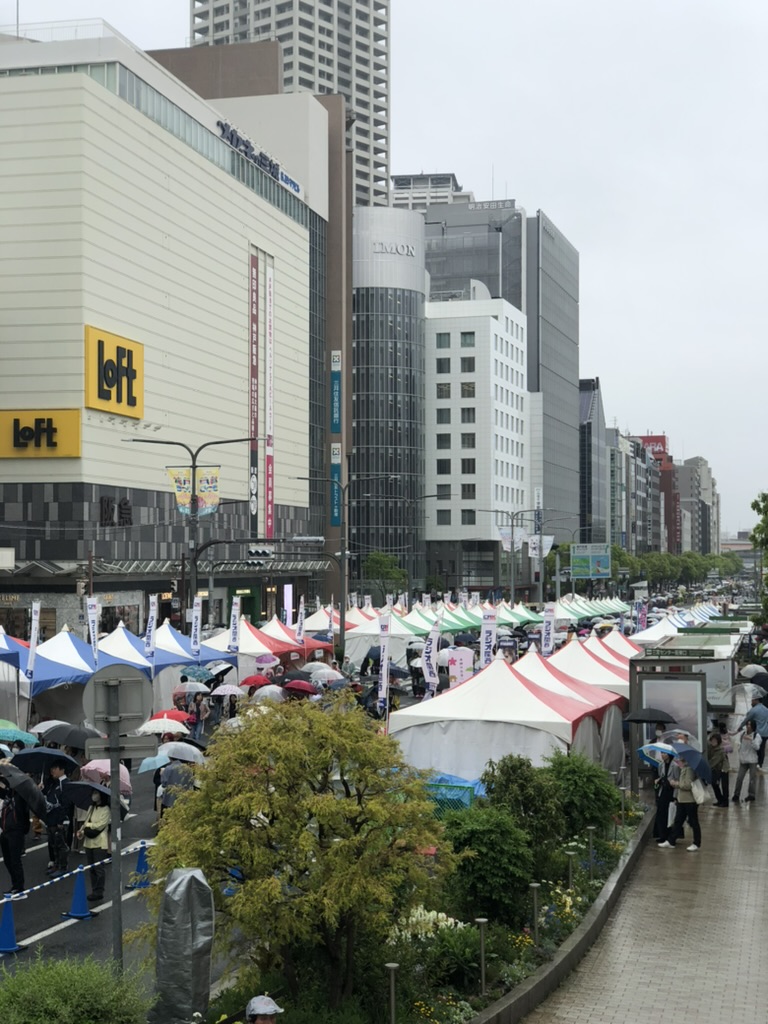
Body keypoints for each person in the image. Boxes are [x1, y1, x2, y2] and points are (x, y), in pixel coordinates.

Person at [659, 757, 701, 851]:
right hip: (682, 800)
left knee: (693, 821)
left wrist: (675, 783)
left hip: (689, 800)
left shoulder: (689, 769)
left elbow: (687, 785)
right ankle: (671, 841)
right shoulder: (684, 769)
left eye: (679, 760)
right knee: (678, 821)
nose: (678, 762)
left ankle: (696, 843)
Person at [76, 790, 110, 902]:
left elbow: (100, 825)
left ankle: (99, 891)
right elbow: (85, 823)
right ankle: (94, 889)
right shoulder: (91, 808)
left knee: (99, 869)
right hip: (88, 842)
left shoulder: (106, 809)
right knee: (91, 868)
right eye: (93, 793)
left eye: (96, 793)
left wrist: (88, 825)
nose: (94, 796)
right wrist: (81, 831)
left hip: (100, 842)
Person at [0, 779, 30, 896]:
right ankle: (14, 884)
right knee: (7, 860)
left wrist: (24, 829)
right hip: (5, 830)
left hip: (16, 831)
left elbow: (25, 813)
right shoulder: (7, 795)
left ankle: (19, 887)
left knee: (15, 860)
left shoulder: (21, 796)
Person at [44, 759, 71, 876]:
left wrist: (61, 820)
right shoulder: (53, 783)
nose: (52, 771)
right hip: (50, 819)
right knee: (53, 843)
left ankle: (63, 867)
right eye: (51, 769)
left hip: (59, 820)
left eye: (54, 769)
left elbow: (66, 804)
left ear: (62, 769)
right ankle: (56, 864)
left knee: (61, 844)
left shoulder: (65, 784)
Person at [735, 695, 768, 769]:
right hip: (765, 733)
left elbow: (746, 720)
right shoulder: (766, 709)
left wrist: (740, 728)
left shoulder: (754, 710)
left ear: (756, 700)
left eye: (752, 701)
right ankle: (760, 764)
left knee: (755, 748)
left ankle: (754, 763)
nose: (751, 702)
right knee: (762, 748)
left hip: (757, 733)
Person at [731, 720, 761, 803]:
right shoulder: (742, 734)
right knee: (739, 778)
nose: (748, 726)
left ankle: (751, 795)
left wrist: (751, 740)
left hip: (752, 760)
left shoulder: (756, 736)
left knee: (752, 779)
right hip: (743, 760)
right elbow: (738, 743)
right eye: (747, 724)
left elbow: (757, 747)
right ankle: (736, 794)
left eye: (750, 725)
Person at [653, 752, 677, 844]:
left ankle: (670, 835)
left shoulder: (674, 766)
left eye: (664, 754)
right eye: (661, 753)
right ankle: (662, 835)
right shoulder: (661, 765)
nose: (662, 755)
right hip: (663, 791)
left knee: (670, 813)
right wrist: (659, 780)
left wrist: (675, 796)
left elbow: (677, 778)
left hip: (671, 792)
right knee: (661, 813)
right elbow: (661, 776)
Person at [707, 732, 730, 807]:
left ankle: (725, 802)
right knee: (714, 784)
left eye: (715, 741)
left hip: (723, 769)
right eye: (712, 740)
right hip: (716, 769)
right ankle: (720, 799)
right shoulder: (710, 748)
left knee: (724, 786)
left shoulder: (720, 750)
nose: (713, 742)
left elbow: (713, 761)